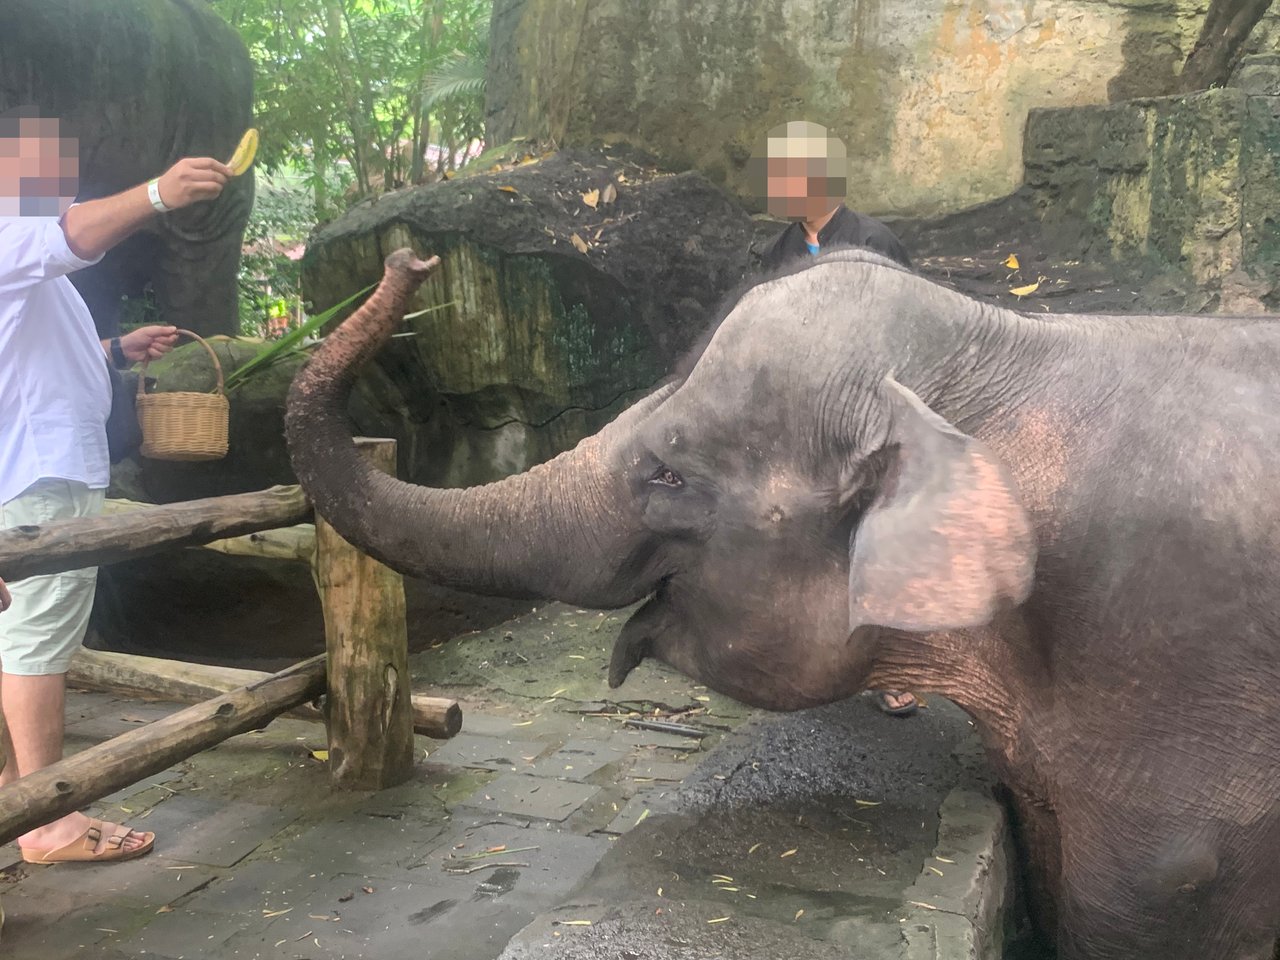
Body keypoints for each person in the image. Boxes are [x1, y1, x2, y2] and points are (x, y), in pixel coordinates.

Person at [0, 106, 233, 862]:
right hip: (37, 472)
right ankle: (48, 819)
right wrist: (160, 194)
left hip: (39, 464)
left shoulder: (27, 261)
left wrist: (114, 347)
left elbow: (30, 348)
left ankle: (17, 789)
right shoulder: (13, 235)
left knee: (21, 635)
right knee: (39, 638)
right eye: (31, 165)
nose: (52, 179)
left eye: (55, 166)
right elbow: (72, 235)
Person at [754, 120, 918, 718]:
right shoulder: (778, 251)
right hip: (804, 423)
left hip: (868, 418)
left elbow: (908, 327)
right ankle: (814, 657)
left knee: (877, 538)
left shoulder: (877, 241)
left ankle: (896, 667)